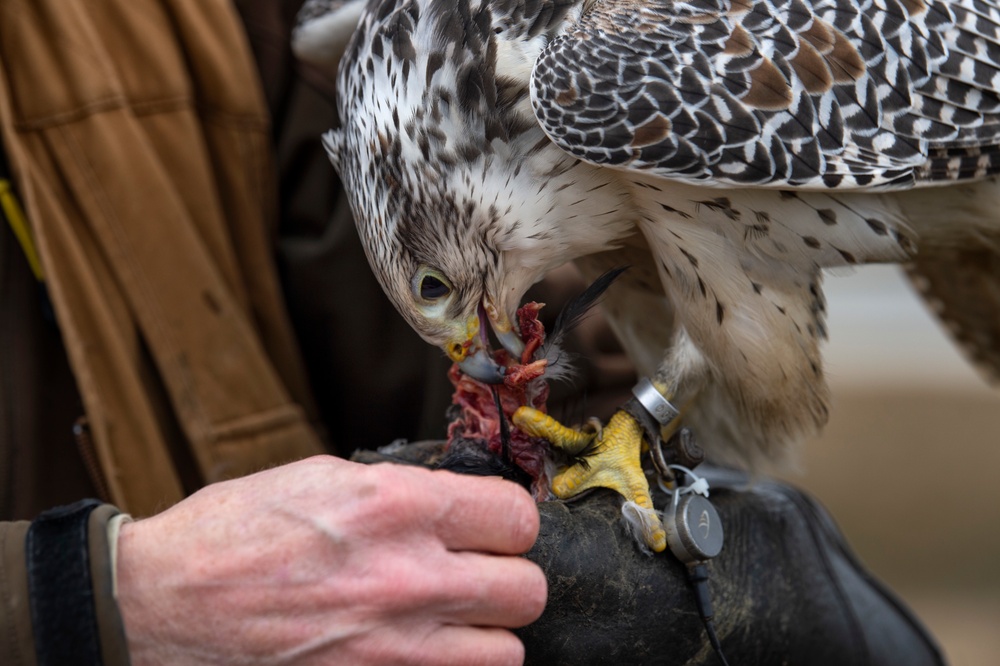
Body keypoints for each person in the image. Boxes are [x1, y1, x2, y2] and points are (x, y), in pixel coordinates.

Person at [0, 1, 946, 665]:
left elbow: (566, 362)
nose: (471, 345)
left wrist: (629, 467)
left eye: (438, 292)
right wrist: (87, 601)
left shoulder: (227, 32)